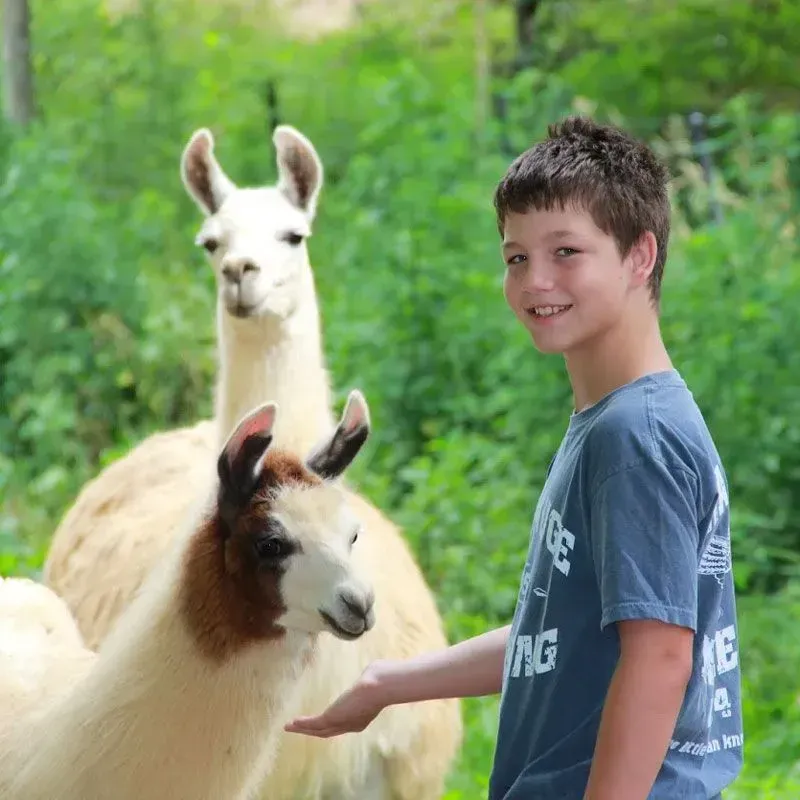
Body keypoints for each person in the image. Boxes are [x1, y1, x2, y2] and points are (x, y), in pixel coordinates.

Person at [284, 116, 744, 799]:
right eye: (517, 257)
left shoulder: (634, 438)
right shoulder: (614, 421)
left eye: (567, 252)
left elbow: (660, 657)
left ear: (640, 257)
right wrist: (390, 683)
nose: (535, 281)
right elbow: (559, 637)